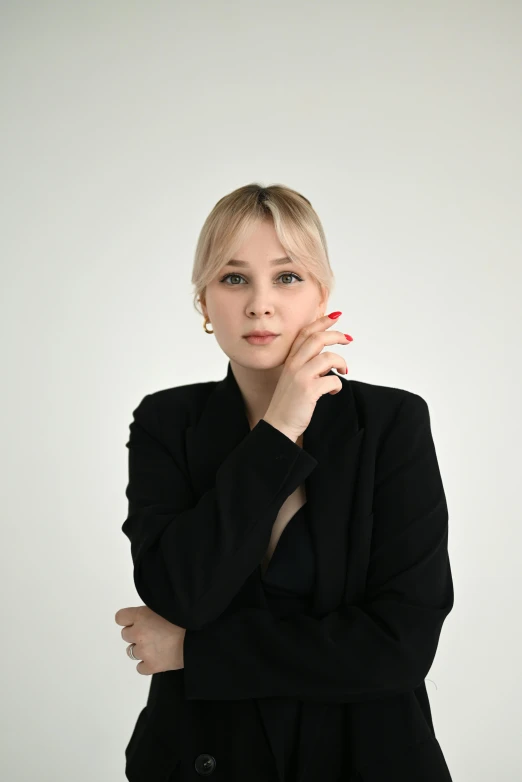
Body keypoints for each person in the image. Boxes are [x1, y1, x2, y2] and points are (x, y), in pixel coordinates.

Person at [115, 183, 454, 781]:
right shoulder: (167, 422)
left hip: (365, 758)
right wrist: (279, 429)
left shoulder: (392, 424)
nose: (260, 305)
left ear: (323, 292)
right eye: (234, 278)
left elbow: (399, 648)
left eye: (288, 277)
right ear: (204, 301)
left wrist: (196, 651)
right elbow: (182, 594)